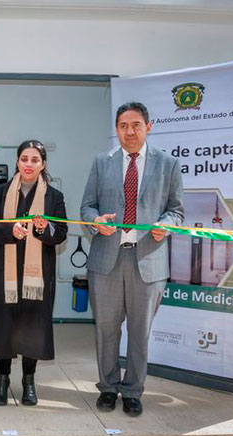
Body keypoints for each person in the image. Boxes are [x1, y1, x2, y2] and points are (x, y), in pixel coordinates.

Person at [80, 102, 184, 417]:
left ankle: (133, 390)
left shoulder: (167, 164)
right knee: (106, 329)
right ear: (117, 129)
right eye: (123, 125)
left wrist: (166, 226)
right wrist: (95, 221)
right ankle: (109, 387)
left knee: (140, 332)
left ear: (148, 127)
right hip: (106, 261)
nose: (129, 131)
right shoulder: (102, 162)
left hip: (148, 261)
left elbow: (176, 211)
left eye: (136, 124)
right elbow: (87, 207)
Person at [0, 140, 67, 406]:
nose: (29, 164)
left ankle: (29, 381)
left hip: (36, 277)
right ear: (17, 161)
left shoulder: (54, 197)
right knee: (2, 328)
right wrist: (10, 231)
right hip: (4, 274)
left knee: (32, 329)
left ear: (43, 164)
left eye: (35, 160)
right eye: (24, 159)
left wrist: (42, 231)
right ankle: (2, 380)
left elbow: (60, 234)